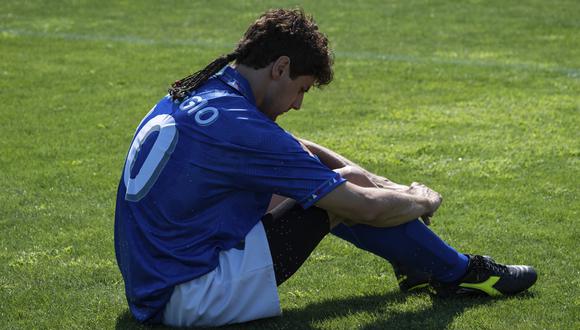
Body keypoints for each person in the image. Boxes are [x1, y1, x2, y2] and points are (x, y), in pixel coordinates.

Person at [114, 8, 537, 327]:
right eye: (300, 89)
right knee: (341, 197)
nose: (298, 103)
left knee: (338, 182)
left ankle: (423, 265)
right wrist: (420, 199)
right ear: (280, 67)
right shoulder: (241, 127)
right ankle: (461, 273)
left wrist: (379, 181)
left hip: (153, 277)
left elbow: (297, 149)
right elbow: (362, 207)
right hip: (187, 296)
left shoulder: (207, 91)